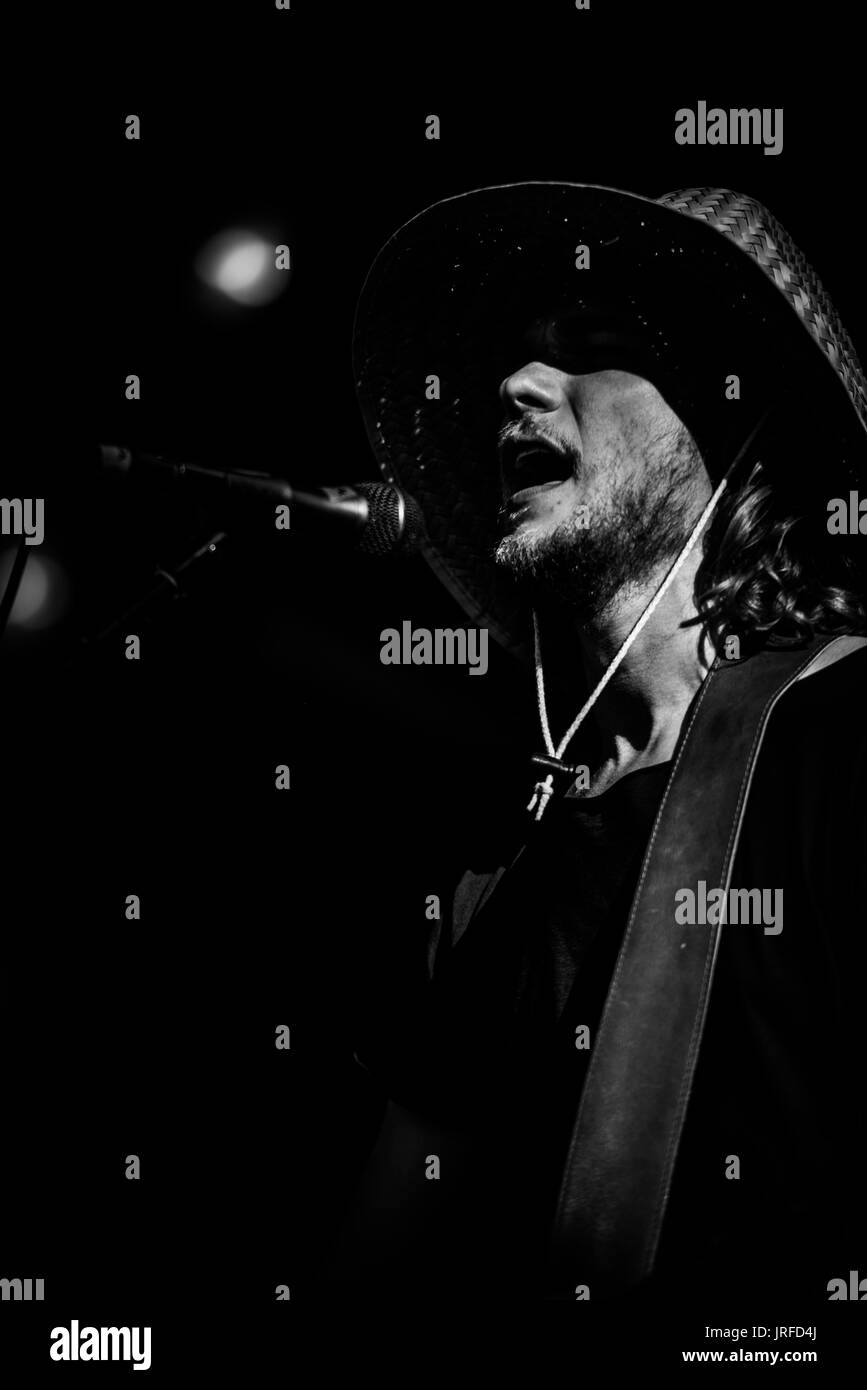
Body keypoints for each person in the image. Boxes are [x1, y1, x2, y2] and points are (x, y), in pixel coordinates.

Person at [334, 184, 867, 1304]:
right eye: (522, 357)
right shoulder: (496, 861)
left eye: (596, 349)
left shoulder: (849, 744)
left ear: (739, 426)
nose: (517, 386)